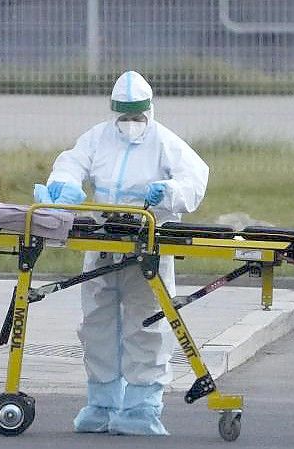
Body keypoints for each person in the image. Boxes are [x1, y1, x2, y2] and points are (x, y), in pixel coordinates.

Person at [34, 70, 209, 435]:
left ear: (150, 111)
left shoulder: (164, 142)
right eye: (124, 117)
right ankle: (101, 403)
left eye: (137, 117)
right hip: (101, 244)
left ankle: (143, 408)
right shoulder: (98, 138)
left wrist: (169, 192)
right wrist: (62, 187)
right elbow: (70, 164)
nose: (131, 124)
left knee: (146, 325)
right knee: (97, 323)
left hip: (147, 245)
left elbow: (194, 179)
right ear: (114, 113)